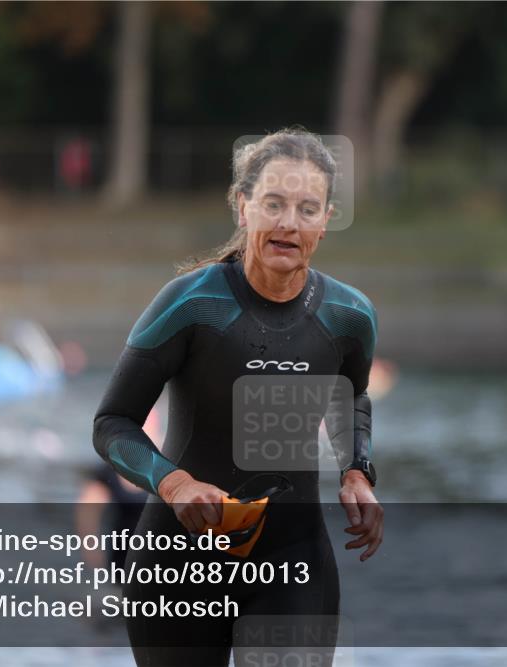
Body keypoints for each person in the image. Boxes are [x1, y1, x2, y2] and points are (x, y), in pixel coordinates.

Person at [93, 128, 383, 666]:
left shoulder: (349, 317)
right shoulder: (191, 304)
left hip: (293, 565)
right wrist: (175, 484)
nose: (288, 223)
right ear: (243, 205)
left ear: (326, 221)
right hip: (174, 568)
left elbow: (351, 398)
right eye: (273, 203)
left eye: (306, 209)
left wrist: (356, 471)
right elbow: (112, 424)